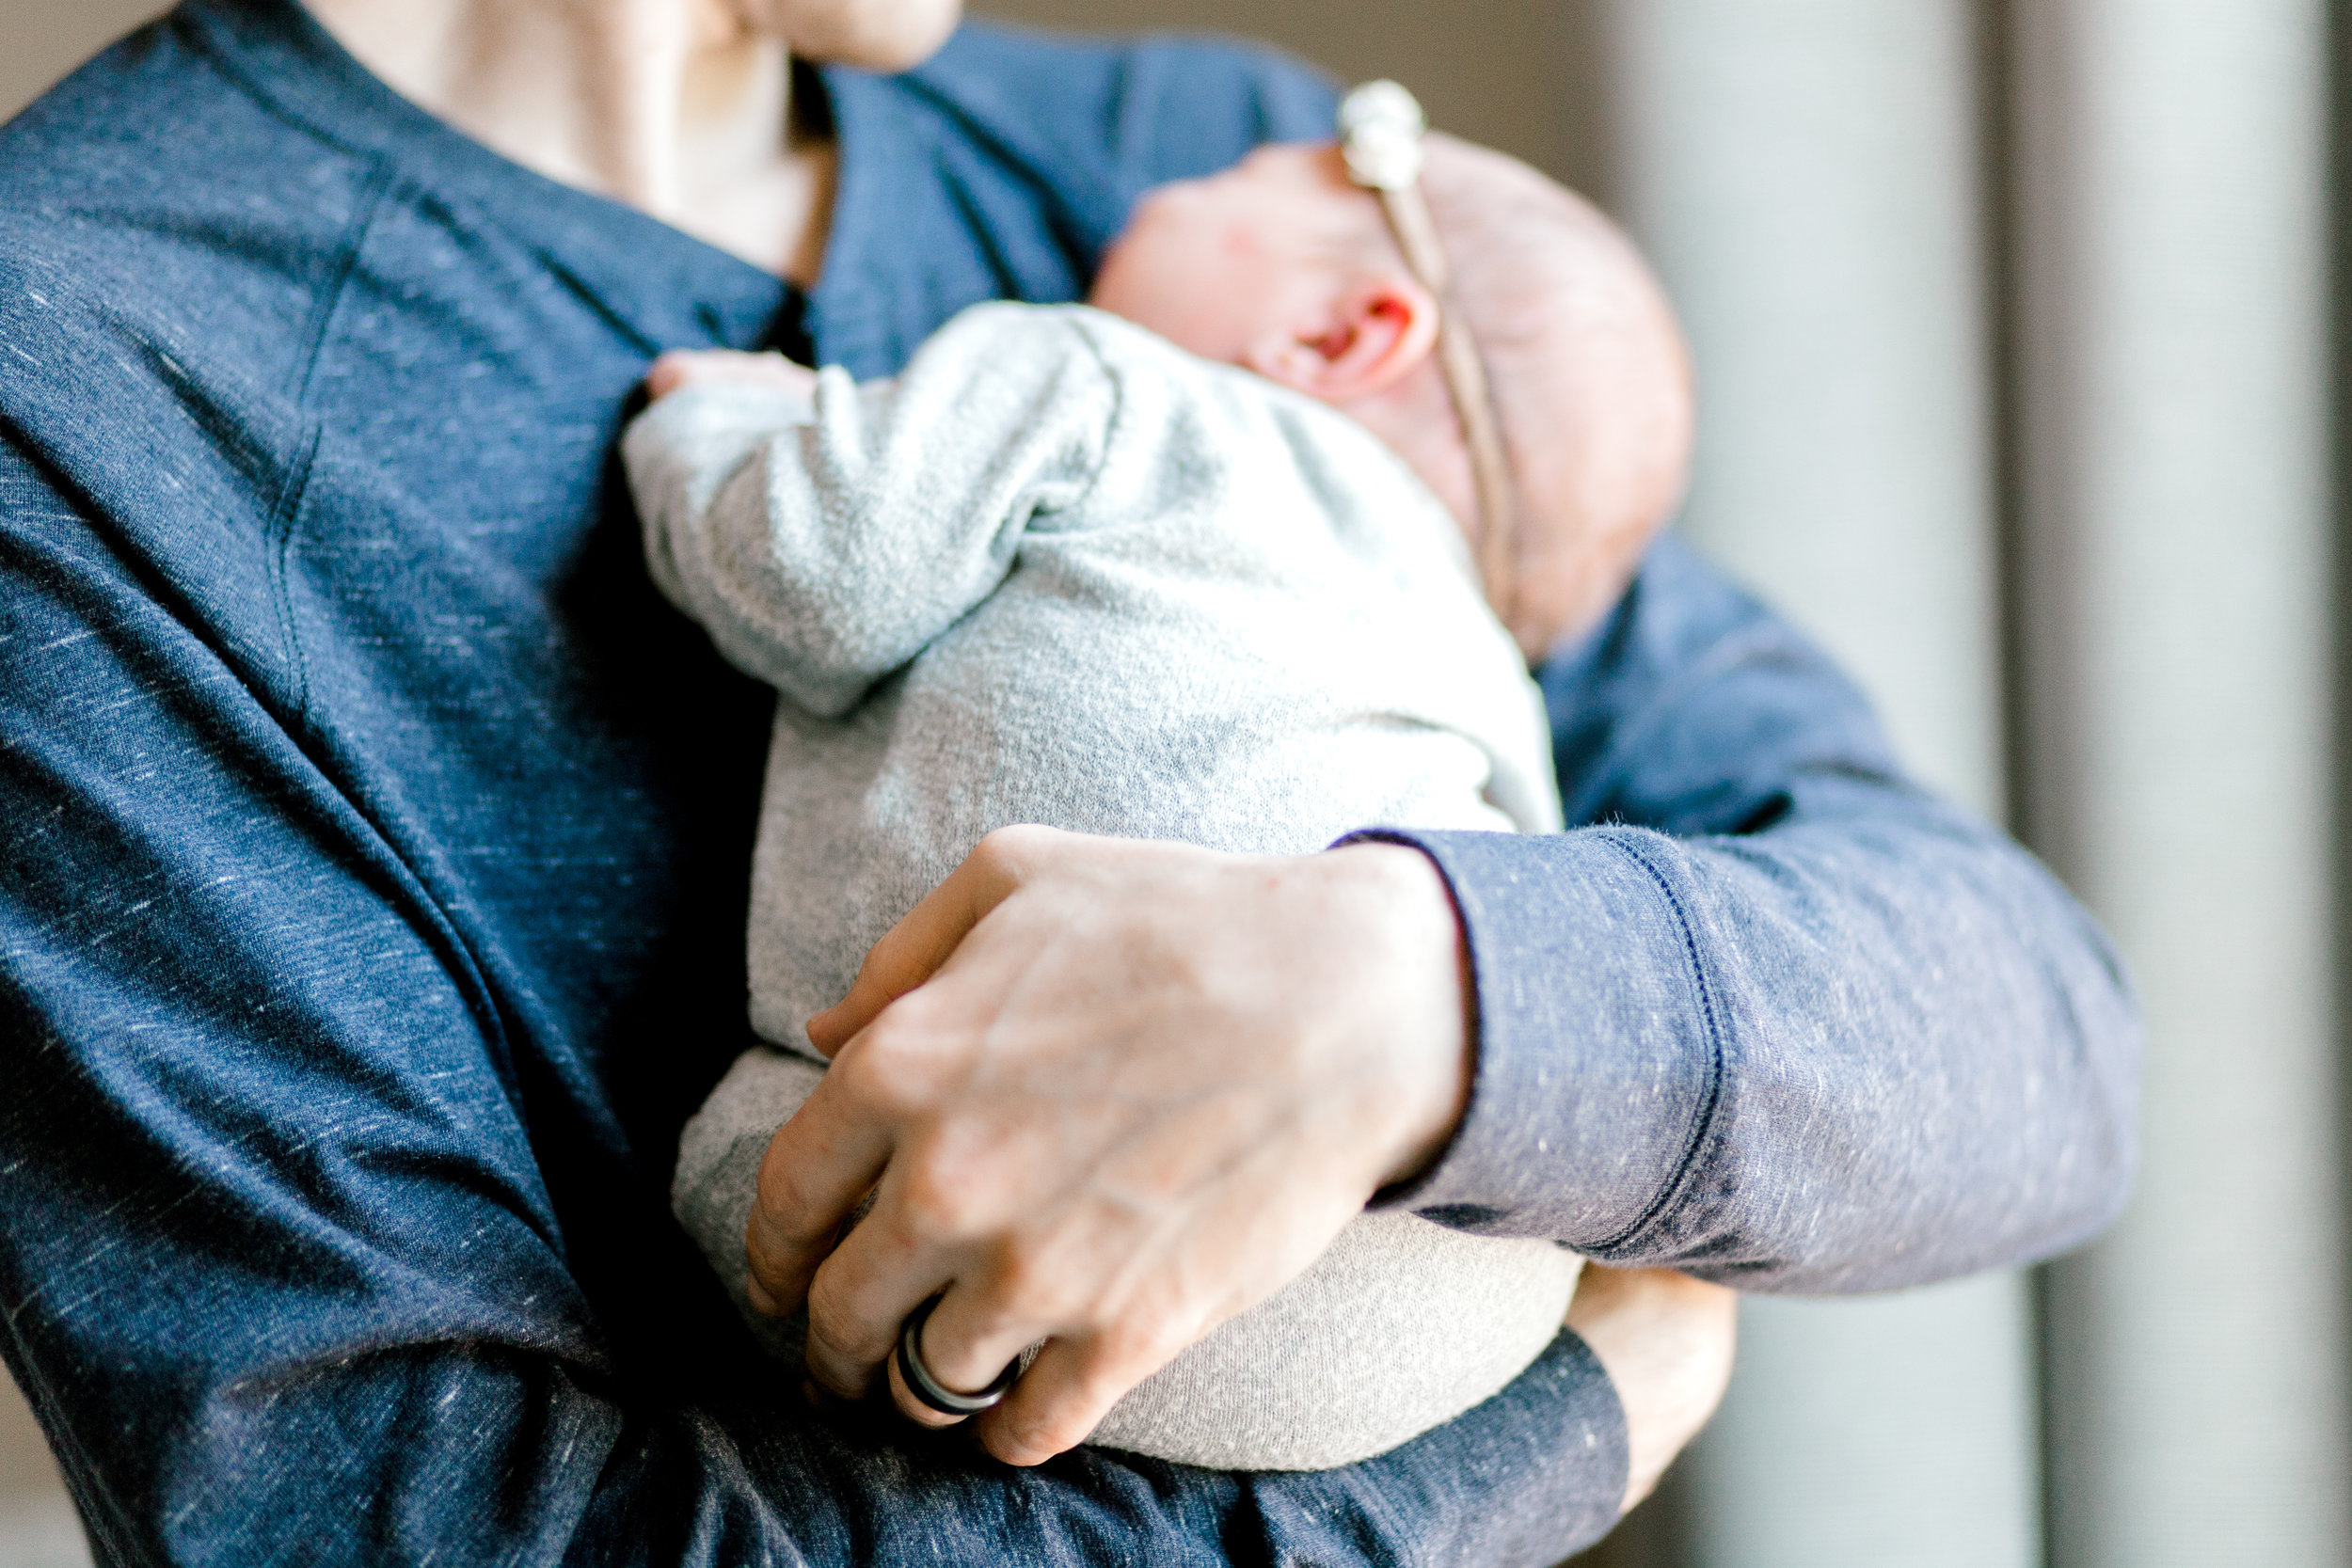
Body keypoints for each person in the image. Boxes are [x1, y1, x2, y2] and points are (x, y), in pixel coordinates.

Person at [0, 0, 2136, 1561]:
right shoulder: (81, 393)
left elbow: (2029, 1037)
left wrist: (1411, 996)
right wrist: (1511, 1446)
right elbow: (409, 1533)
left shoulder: (1193, 184)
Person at [634, 121, 1692, 1473]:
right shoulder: (1478, 665)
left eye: (1245, 174)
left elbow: (812, 579)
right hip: (1447, 1328)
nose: (1187, 160)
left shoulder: (1108, 376)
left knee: (748, 1178)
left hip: (941, 1228)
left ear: (1340, 337)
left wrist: (725, 423)